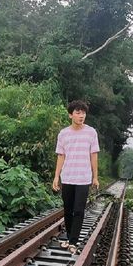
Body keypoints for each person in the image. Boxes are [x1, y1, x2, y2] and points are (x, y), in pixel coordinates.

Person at [52, 100, 100, 254]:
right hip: (67, 177)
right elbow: (61, 156)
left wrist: (95, 177)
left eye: (83, 113)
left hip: (83, 178)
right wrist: (56, 177)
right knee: (68, 210)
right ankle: (68, 238)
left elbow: (94, 155)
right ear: (70, 115)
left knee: (79, 210)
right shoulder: (63, 134)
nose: (81, 116)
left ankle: (73, 241)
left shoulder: (91, 132)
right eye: (78, 113)